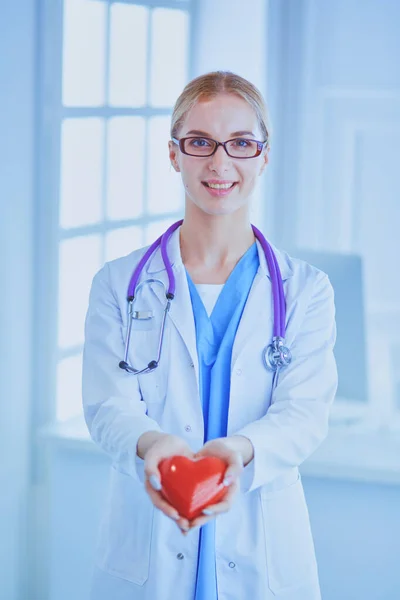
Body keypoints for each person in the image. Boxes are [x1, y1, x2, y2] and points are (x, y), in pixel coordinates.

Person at [82, 70, 338, 600]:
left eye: (241, 143)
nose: (220, 163)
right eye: (200, 142)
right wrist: (154, 444)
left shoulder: (306, 291)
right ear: (174, 154)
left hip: (264, 553)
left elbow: (303, 416)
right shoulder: (118, 284)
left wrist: (238, 450)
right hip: (146, 553)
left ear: (264, 155)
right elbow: (108, 407)